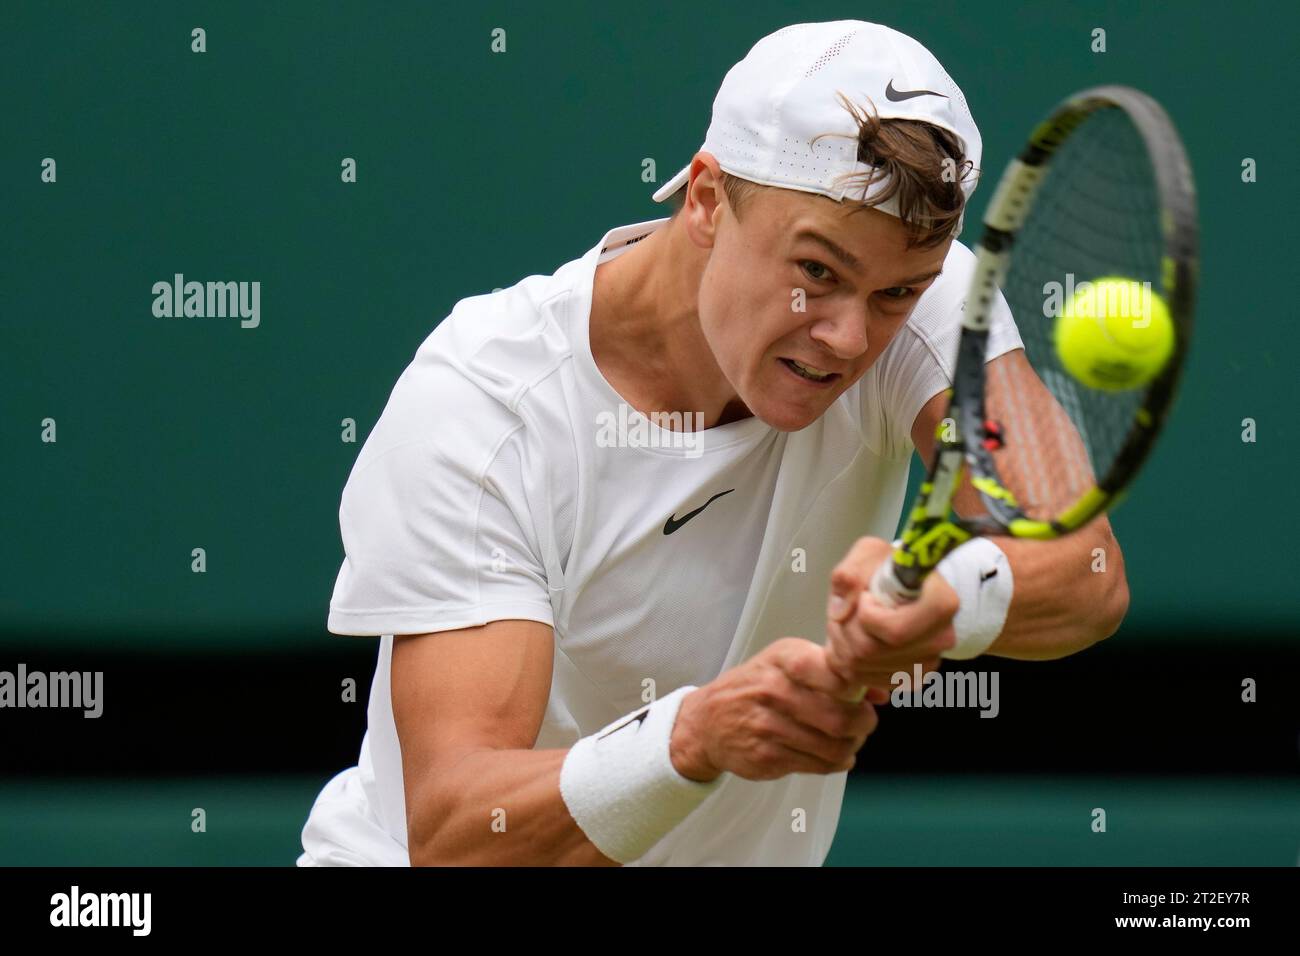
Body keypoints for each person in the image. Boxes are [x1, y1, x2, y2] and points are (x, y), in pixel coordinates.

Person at [298, 19, 1128, 867]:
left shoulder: (927, 302)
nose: (848, 335)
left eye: (897, 292)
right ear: (705, 199)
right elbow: (458, 835)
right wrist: (690, 740)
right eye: (815, 273)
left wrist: (949, 598)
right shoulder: (484, 404)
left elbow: (1087, 573)